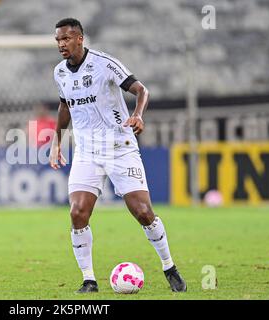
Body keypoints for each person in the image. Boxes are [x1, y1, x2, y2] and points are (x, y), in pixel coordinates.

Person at [49, 18, 187, 293]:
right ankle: (89, 280)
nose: (61, 44)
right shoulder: (60, 73)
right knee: (77, 213)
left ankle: (169, 266)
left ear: (80, 38)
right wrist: (57, 142)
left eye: (66, 38)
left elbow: (141, 90)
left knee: (143, 212)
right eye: (58, 40)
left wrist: (137, 115)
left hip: (120, 147)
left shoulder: (104, 64)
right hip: (87, 151)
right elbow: (65, 106)